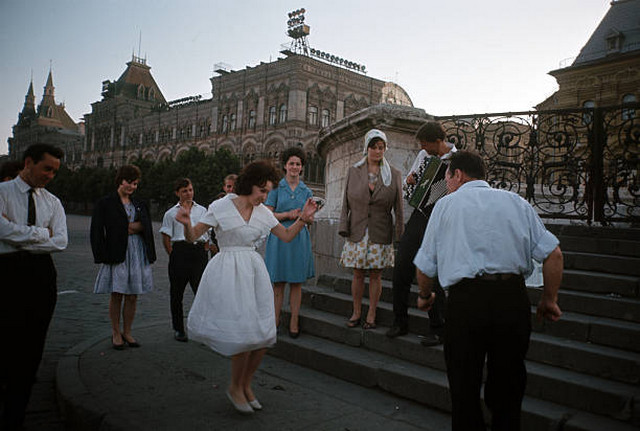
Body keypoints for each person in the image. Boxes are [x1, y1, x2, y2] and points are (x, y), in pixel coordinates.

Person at [413, 150, 563, 431]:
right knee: (509, 383)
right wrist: (549, 299)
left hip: (465, 302)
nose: (447, 184)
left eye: (447, 177)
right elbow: (553, 254)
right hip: (511, 299)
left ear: (458, 175)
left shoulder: (445, 205)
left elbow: (424, 265)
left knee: (463, 384)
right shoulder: (516, 202)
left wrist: (425, 296)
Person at [176, 161, 318, 414]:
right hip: (228, 272)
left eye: (267, 192)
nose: (264, 197)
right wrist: (186, 223)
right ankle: (235, 386)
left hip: (253, 272)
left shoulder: (263, 212)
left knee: (263, 334)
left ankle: (245, 384)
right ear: (250, 184)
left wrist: (303, 219)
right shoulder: (221, 206)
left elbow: (286, 236)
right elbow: (193, 235)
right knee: (243, 333)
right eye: (262, 190)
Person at [0, 144, 67, 429]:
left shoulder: (53, 202)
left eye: (55, 171)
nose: (51, 175)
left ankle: (16, 415)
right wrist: (41, 233)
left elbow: (60, 241)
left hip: (41, 276)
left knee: (32, 348)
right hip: (6, 273)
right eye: (47, 168)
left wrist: (17, 237)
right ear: (28, 162)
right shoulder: (2, 193)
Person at [386, 120, 456, 345]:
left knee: (432, 274)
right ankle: (400, 321)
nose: (422, 148)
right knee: (401, 267)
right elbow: (410, 188)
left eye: (426, 144)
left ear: (438, 141)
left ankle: (438, 328)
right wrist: (410, 181)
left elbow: (456, 192)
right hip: (419, 216)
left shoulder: (457, 160)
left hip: (441, 219)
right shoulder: (424, 156)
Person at [338, 129, 403, 329]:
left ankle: (372, 313)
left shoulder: (394, 174)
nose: (377, 151)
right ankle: (356, 312)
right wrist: (343, 226)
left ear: (385, 149)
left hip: (380, 231)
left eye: (381, 147)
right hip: (357, 230)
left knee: (376, 275)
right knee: (357, 274)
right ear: (366, 148)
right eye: (373, 147)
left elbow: (399, 207)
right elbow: (345, 202)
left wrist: (399, 234)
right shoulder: (353, 171)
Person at [90, 165, 156, 350]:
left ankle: (127, 331)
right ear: (120, 180)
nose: (132, 186)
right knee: (117, 293)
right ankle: (115, 332)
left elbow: (146, 226)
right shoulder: (106, 203)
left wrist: (129, 227)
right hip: (117, 251)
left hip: (137, 251)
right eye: (129, 182)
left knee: (132, 295)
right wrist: (101, 253)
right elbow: (98, 230)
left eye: (135, 183)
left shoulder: (139, 203)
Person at [264, 147, 315, 338]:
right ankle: (274, 321)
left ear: (302, 167)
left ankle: (294, 321)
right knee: (278, 284)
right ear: (285, 166)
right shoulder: (276, 188)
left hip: (299, 238)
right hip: (278, 238)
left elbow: (311, 219)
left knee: (296, 283)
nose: (294, 167)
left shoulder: (307, 191)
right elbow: (267, 214)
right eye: (291, 163)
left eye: (298, 164)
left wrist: (306, 217)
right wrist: (287, 214)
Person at [160, 178, 209, 342]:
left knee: (201, 292)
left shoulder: (202, 210)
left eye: (190, 190)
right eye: (184, 191)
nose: (189, 193)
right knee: (177, 293)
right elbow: (166, 237)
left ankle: (203, 328)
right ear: (177, 193)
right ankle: (178, 329)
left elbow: (207, 232)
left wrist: (205, 248)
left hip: (198, 252)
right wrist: (173, 255)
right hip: (180, 251)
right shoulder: (170, 213)